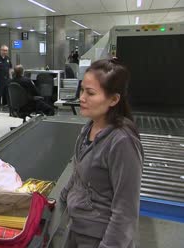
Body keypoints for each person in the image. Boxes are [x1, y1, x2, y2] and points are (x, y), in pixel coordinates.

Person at [60, 58, 144, 248]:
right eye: (82, 90)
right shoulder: (89, 128)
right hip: (76, 227)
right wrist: (61, 198)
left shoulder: (122, 142)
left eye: (90, 93)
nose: (81, 98)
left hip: (99, 237)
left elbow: (126, 210)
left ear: (114, 99)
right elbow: (78, 171)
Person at [0, 45, 12, 116]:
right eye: (4, 50)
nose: (5, 52)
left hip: (7, 80)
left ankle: (11, 111)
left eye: (6, 50)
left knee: (9, 96)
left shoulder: (8, 59)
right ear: (0, 50)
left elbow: (10, 69)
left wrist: (11, 78)